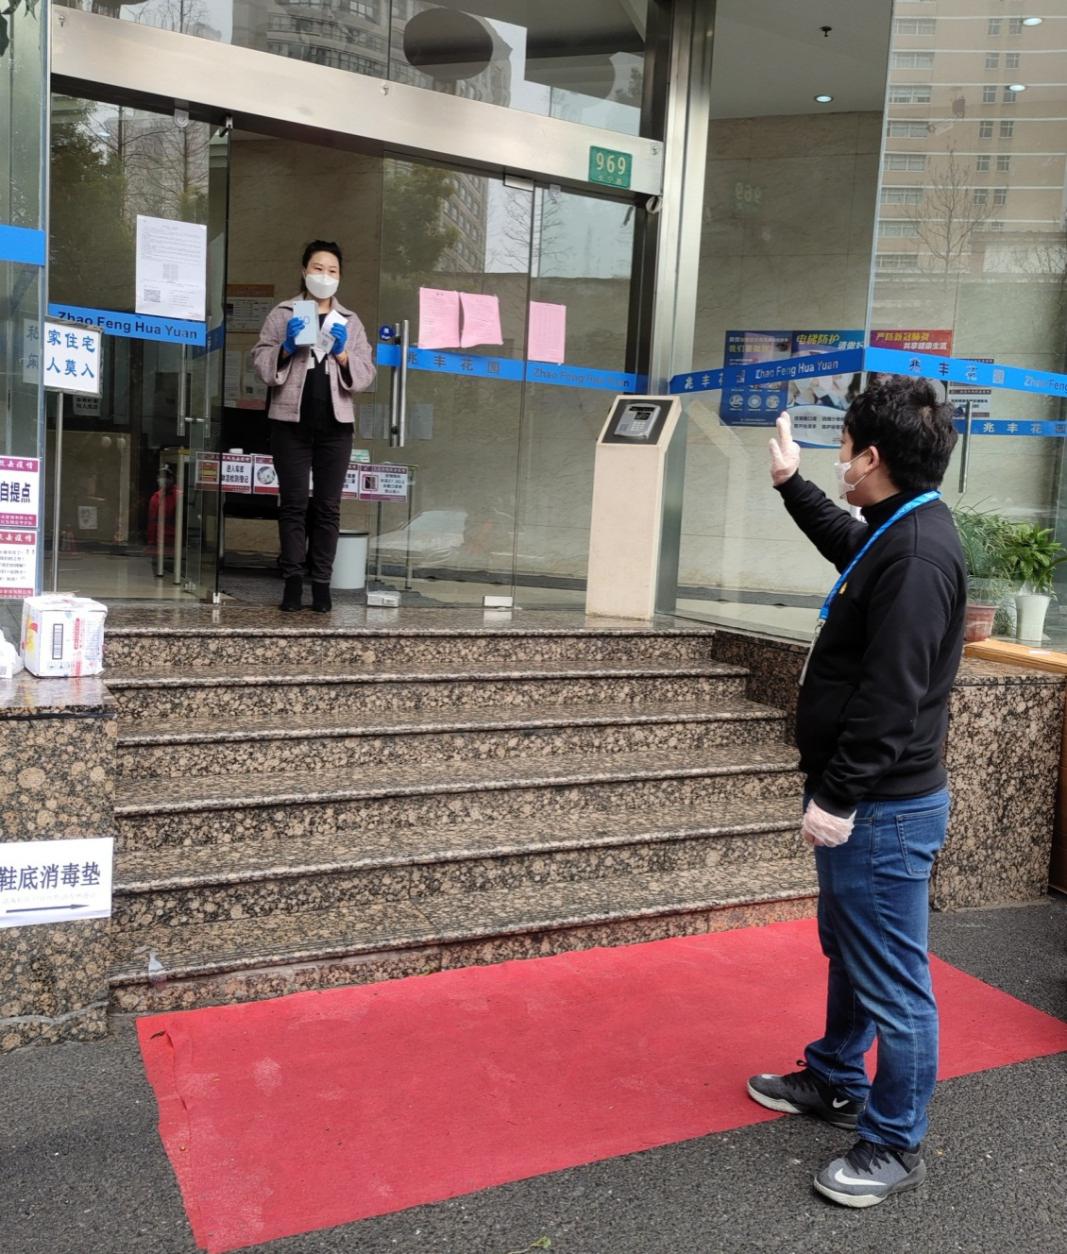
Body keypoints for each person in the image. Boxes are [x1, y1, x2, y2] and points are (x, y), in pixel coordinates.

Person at [747, 375, 966, 1209]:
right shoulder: (899, 527)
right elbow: (851, 547)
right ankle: (836, 1076)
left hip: (881, 807)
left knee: (892, 981)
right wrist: (791, 485)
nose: (835, 458)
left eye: (839, 447)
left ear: (870, 458)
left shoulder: (914, 555)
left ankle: (894, 1142)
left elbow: (889, 700)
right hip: (871, 800)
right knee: (853, 952)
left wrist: (836, 798)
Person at [252, 240, 375, 612]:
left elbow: (366, 374)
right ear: (304, 271)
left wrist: (343, 354)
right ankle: (292, 582)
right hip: (289, 424)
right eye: (318, 268)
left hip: (335, 428)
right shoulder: (283, 313)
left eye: (332, 270)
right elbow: (260, 362)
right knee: (292, 504)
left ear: (340, 277)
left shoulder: (350, 321)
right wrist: (286, 347)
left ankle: (322, 584)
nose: (325, 276)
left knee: (327, 506)